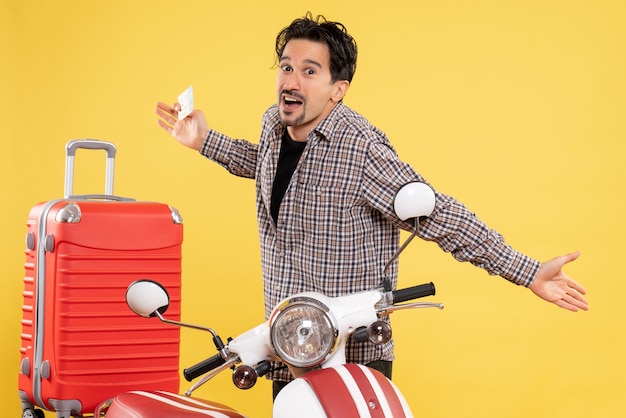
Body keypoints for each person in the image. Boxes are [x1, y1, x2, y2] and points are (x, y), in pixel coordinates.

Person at [155, 13, 588, 399]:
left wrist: (527, 271)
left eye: (310, 71)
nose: (291, 81)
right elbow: (269, 169)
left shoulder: (361, 150)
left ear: (337, 90)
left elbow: (438, 214)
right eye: (287, 67)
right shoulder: (275, 123)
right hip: (288, 344)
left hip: (352, 356)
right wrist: (205, 142)